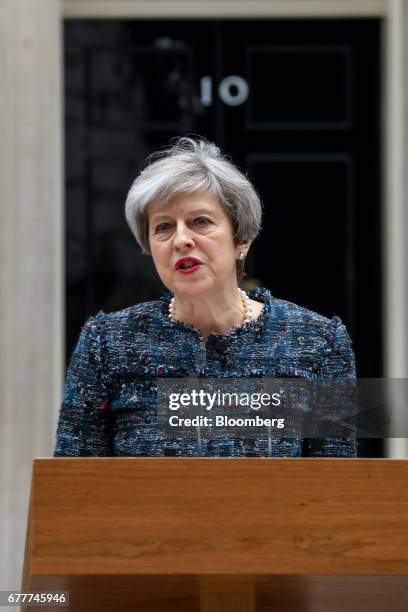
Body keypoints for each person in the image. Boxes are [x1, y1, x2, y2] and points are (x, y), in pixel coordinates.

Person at [54, 137, 357, 458]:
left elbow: (336, 490)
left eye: (201, 221)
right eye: (163, 227)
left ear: (241, 239)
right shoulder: (106, 344)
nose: (181, 239)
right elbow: (74, 487)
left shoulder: (318, 343)